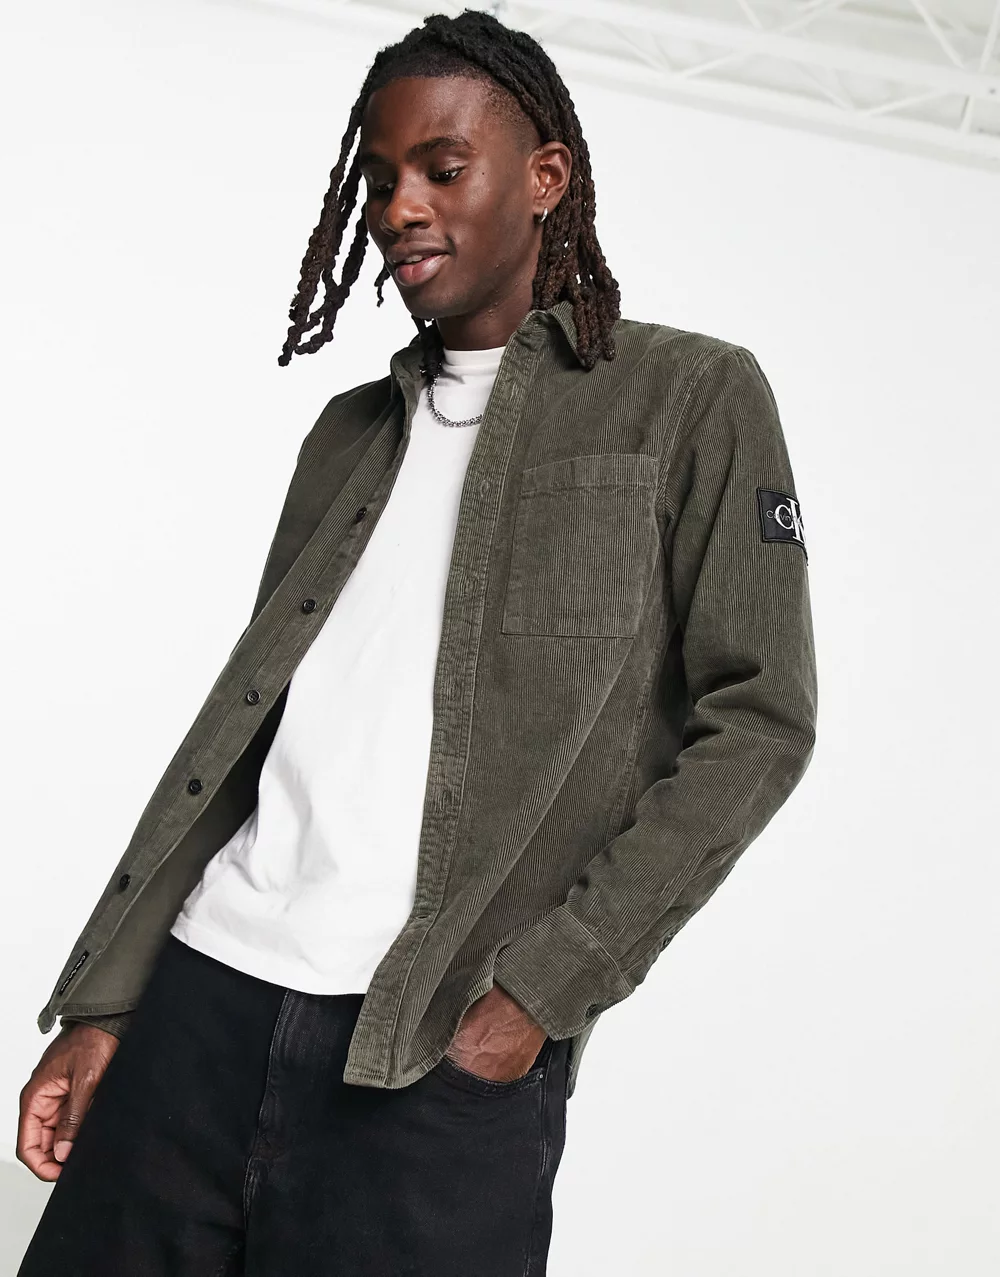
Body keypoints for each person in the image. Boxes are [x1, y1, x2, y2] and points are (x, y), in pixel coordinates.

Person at [15, 9, 817, 1276]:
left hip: (432, 1052)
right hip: (200, 1009)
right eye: (382, 177)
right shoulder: (347, 433)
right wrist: (114, 1000)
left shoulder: (688, 397)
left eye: (443, 168)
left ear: (545, 177)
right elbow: (252, 736)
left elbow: (759, 719)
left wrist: (540, 993)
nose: (399, 208)